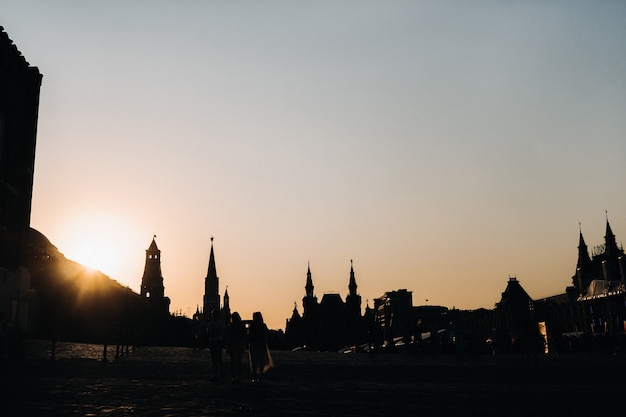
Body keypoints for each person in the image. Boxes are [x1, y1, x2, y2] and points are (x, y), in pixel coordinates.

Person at [247, 311, 273, 383]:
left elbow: (249, 336)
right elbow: (266, 334)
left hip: (254, 345)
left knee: (254, 361)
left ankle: (255, 377)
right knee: (261, 360)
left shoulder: (252, 326)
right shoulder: (263, 325)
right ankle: (260, 377)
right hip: (261, 344)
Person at [225, 312, 246, 384]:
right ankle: (239, 376)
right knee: (239, 361)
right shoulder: (242, 326)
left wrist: (228, 346)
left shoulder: (230, 326)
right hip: (240, 345)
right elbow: (244, 335)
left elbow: (229, 337)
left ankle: (233, 376)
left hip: (233, 345)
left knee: (233, 361)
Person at [206, 309, 226, 381]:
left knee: (217, 358)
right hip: (216, 341)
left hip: (216, 341)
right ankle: (218, 374)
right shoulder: (221, 323)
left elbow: (209, 333)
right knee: (215, 359)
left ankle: (218, 374)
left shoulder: (211, 324)